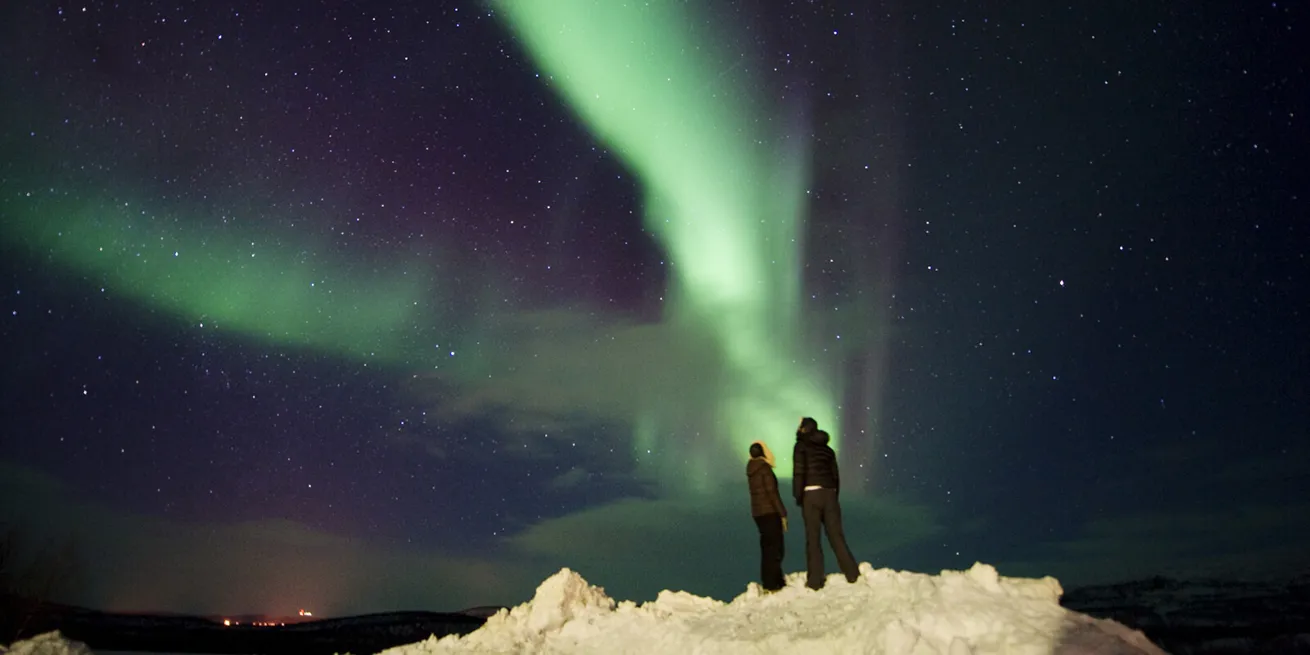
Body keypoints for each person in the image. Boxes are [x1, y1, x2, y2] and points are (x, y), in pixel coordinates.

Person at [792, 417, 860, 590]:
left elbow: (799, 473)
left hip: (811, 494)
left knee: (813, 539)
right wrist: (833, 495)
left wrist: (798, 496)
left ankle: (815, 581)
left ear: (804, 429)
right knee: (836, 536)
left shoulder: (801, 447)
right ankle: (852, 574)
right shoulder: (828, 450)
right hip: (829, 494)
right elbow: (835, 476)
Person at [746, 440, 788, 591]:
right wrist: (782, 513)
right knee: (776, 549)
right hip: (770, 513)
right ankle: (773, 583)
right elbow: (772, 493)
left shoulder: (751, 469)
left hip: (758, 514)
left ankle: (772, 580)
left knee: (767, 548)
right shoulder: (764, 469)